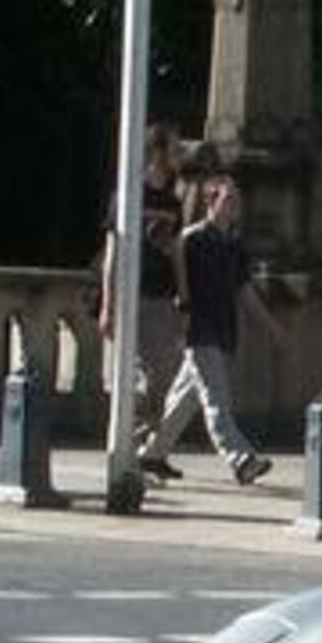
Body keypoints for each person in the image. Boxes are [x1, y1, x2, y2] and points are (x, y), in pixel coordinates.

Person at [141, 174, 285, 487]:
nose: (234, 205)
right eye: (227, 199)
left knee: (185, 398)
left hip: (223, 329)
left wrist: (270, 326)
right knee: (215, 399)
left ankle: (152, 453)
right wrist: (181, 313)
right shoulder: (192, 239)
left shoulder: (234, 245)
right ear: (211, 201)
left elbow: (244, 291)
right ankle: (241, 459)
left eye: (236, 199)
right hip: (199, 329)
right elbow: (174, 275)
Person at [95, 123, 186, 477]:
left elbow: (176, 251)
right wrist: (108, 303)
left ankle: (145, 451)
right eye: (174, 150)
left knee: (162, 381)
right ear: (158, 153)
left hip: (162, 298)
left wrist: (183, 294)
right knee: (139, 383)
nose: (179, 157)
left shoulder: (173, 202)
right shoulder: (129, 195)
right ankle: (126, 452)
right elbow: (113, 252)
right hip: (133, 296)